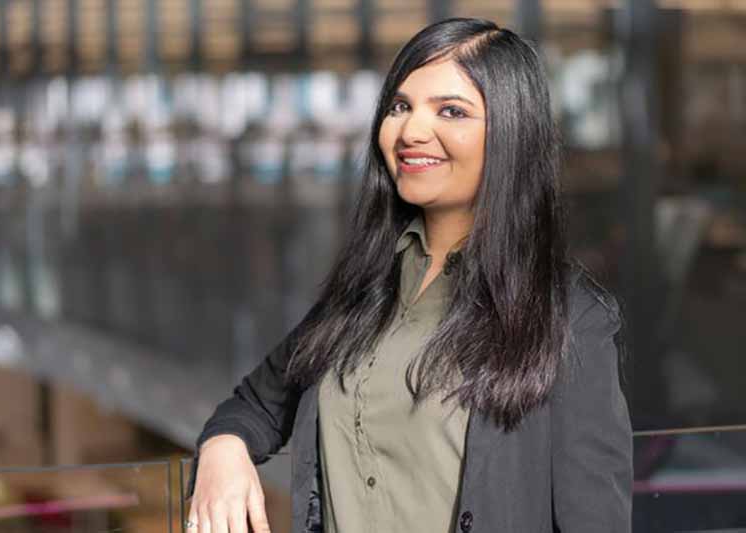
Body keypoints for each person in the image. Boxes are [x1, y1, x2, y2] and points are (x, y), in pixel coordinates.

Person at [184, 17, 633, 533]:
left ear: (513, 132)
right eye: (400, 106)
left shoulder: (570, 318)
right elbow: (255, 404)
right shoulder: (363, 292)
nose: (411, 131)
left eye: (451, 110)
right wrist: (222, 449)